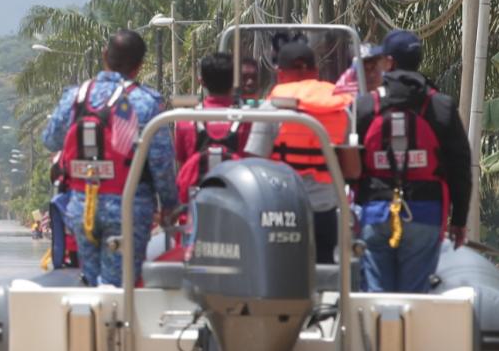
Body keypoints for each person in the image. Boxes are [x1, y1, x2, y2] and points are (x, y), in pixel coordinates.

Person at [42, 29, 178, 287]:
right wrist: (170, 204)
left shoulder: (76, 97)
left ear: (105, 55)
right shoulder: (145, 102)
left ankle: (92, 324)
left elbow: (51, 139)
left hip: (81, 208)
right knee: (118, 288)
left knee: (92, 281)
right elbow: (160, 163)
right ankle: (115, 326)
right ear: (139, 66)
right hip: (128, 210)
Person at [354, 30, 472, 293]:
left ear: (389, 62)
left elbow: (350, 166)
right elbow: (460, 167)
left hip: (376, 212)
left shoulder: (364, 107)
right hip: (425, 213)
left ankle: (380, 332)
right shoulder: (440, 106)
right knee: (414, 296)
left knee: (377, 296)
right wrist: (459, 220)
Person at [245, 42, 354, 264]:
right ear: (315, 71)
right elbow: (352, 170)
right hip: (325, 209)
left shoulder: (270, 110)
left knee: (281, 274)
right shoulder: (341, 109)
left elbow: (255, 165)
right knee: (323, 274)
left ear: (280, 73)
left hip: (281, 210)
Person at [173, 52, 251, 203]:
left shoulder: (186, 122)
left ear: (201, 81)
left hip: (193, 212)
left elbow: (183, 167)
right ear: (235, 81)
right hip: (240, 208)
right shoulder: (249, 121)